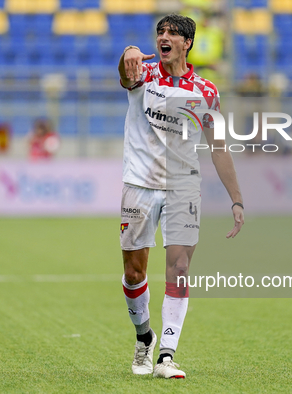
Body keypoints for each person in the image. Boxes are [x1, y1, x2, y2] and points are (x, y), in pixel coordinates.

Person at [118, 14, 244, 379]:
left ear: (187, 43)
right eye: (160, 31)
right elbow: (126, 73)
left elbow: (219, 148)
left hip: (183, 187)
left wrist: (236, 199)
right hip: (139, 184)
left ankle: (167, 357)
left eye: (172, 32)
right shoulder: (144, 73)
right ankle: (145, 338)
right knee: (133, 272)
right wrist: (127, 52)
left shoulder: (206, 91)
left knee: (180, 269)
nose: (164, 36)